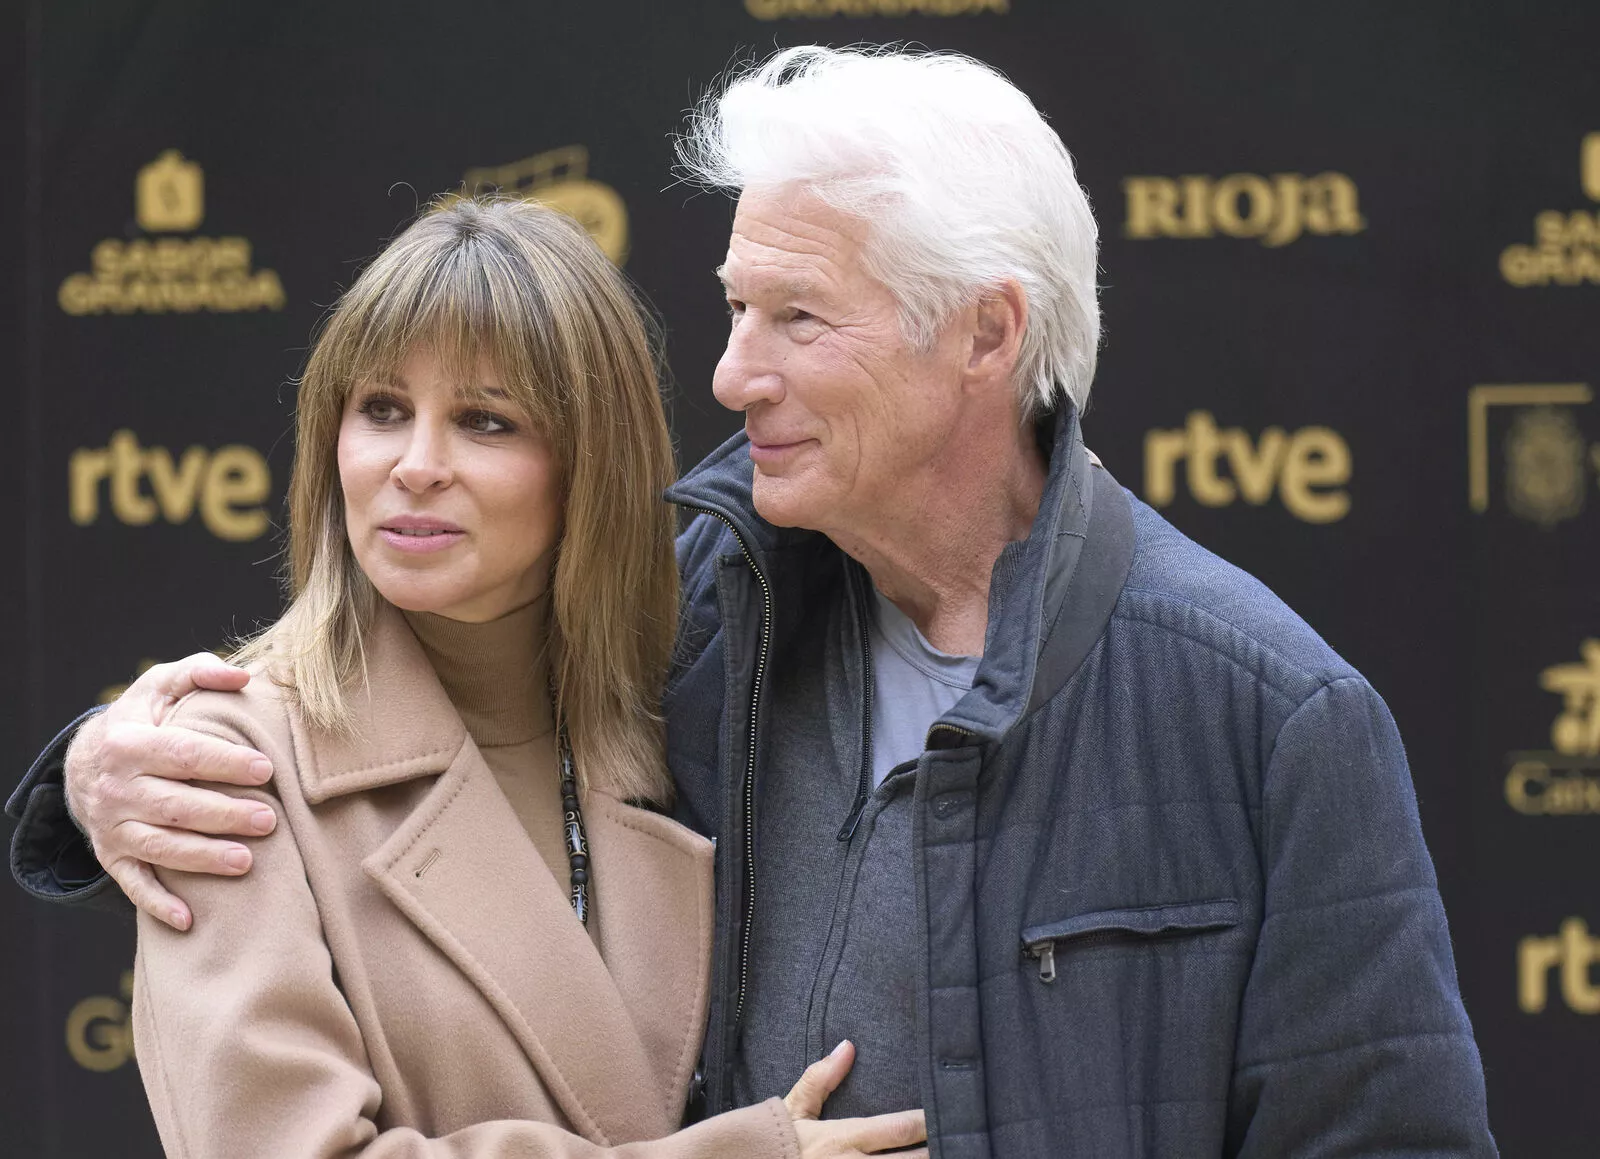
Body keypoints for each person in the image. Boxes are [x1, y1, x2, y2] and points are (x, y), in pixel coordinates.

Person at [10, 46, 1496, 1157]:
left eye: (797, 317)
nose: (730, 376)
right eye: (734, 307)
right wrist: (89, 773)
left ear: (985, 335)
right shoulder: (711, 616)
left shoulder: (1269, 716)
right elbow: (376, 704)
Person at [21, 195, 926, 1158]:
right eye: (381, 410)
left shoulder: (693, 706)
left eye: (484, 420)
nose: (416, 465)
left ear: (590, 464)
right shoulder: (225, 768)